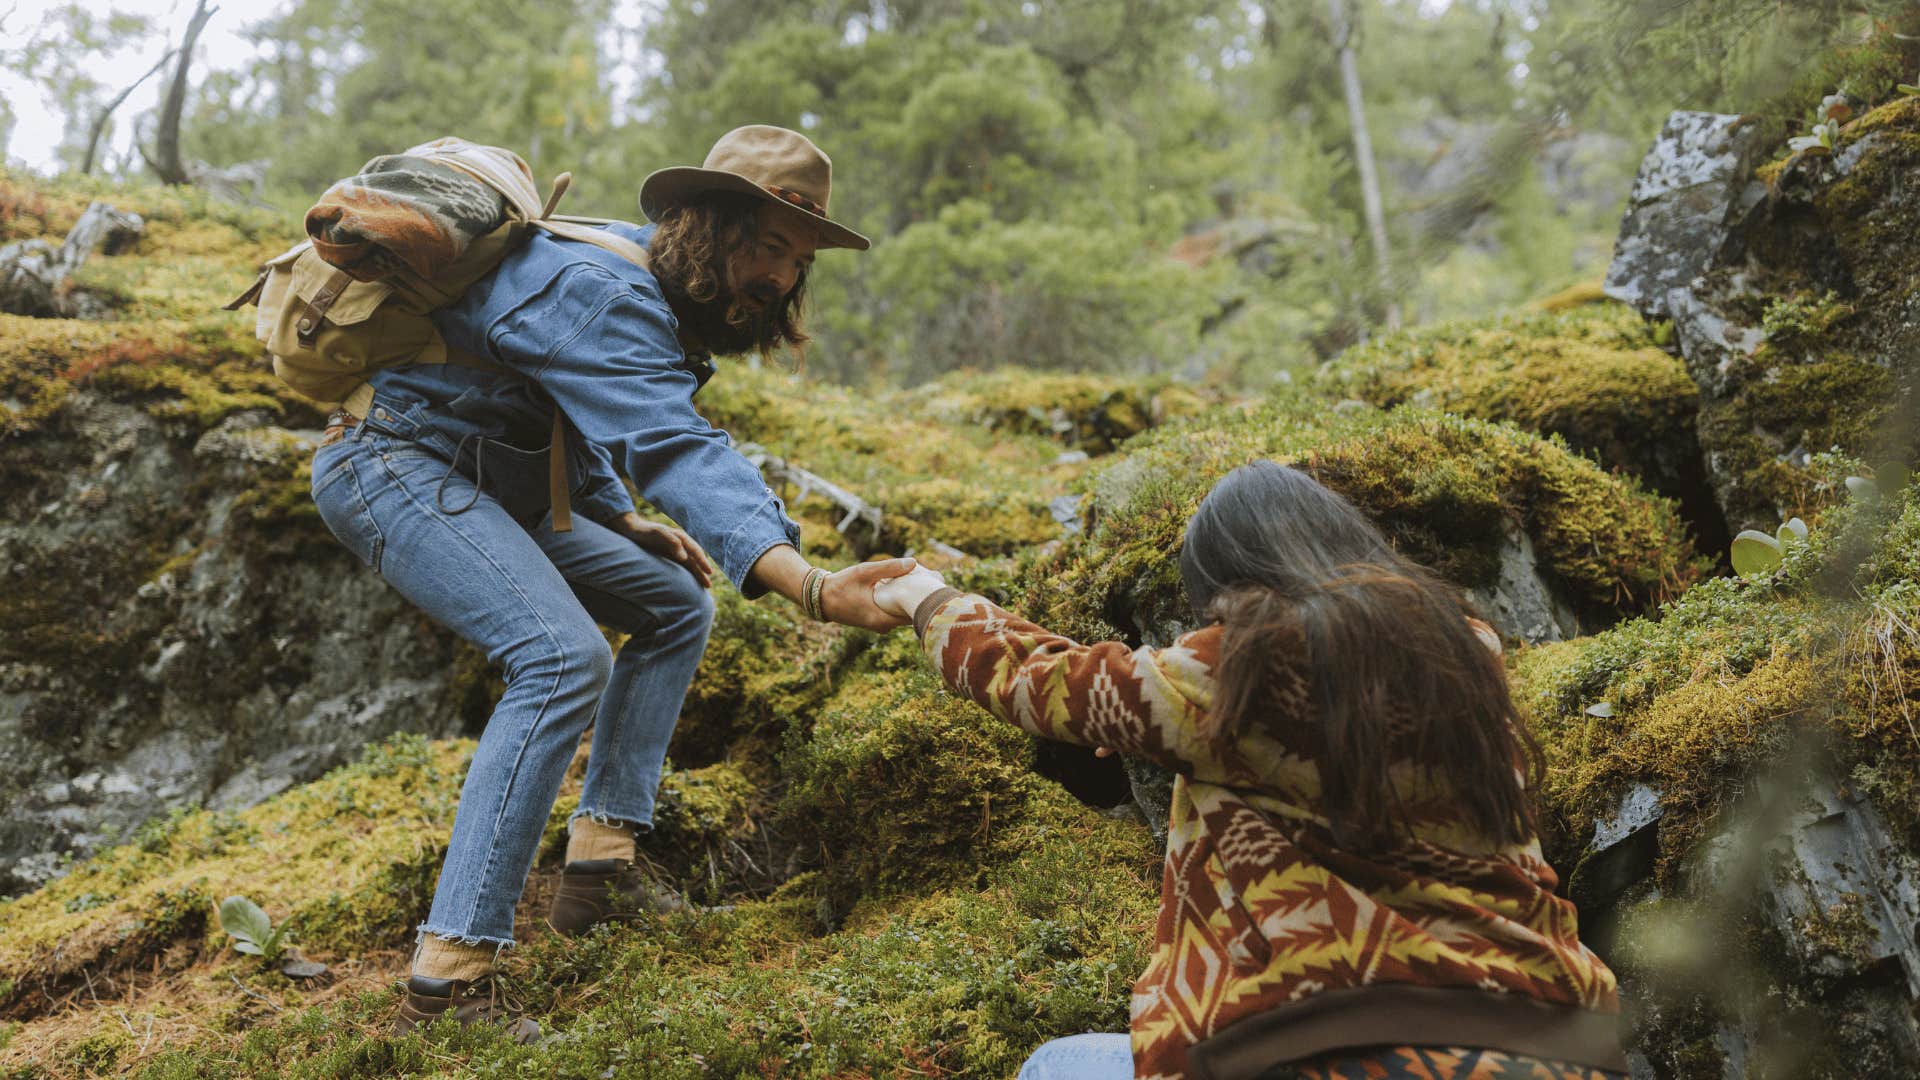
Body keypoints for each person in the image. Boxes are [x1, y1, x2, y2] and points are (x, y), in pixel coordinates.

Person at [306, 125, 915, 1042]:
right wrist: (813, 584)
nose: (781, 280)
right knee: (560, 658)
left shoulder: (627, 273)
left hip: (485, 475)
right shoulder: (603, 286)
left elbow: (563, 399)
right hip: (393, 467)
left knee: (673, 604)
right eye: (765, 246)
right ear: (703, 225)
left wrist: (616, 516)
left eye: (797, 261)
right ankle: (451, 977)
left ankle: (599, 872)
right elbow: (670, 443)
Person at [872, 461, 1627, 1080]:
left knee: (1055, 1068)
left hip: (1353, 1047)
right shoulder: (1466, 656)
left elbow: (1040, 681)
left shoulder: (1249, 664)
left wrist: (925, 597)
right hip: (1555, 1040)